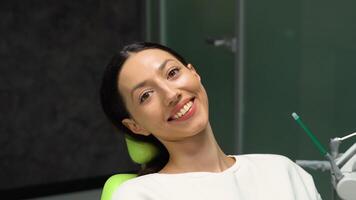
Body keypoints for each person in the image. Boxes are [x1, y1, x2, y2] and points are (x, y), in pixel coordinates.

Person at [100, 42, 322, 200]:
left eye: (172, 73)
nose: (171, 94)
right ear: (134, 126)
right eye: (146, 95)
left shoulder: (282, 171)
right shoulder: (140, 195)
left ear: (194, 73)